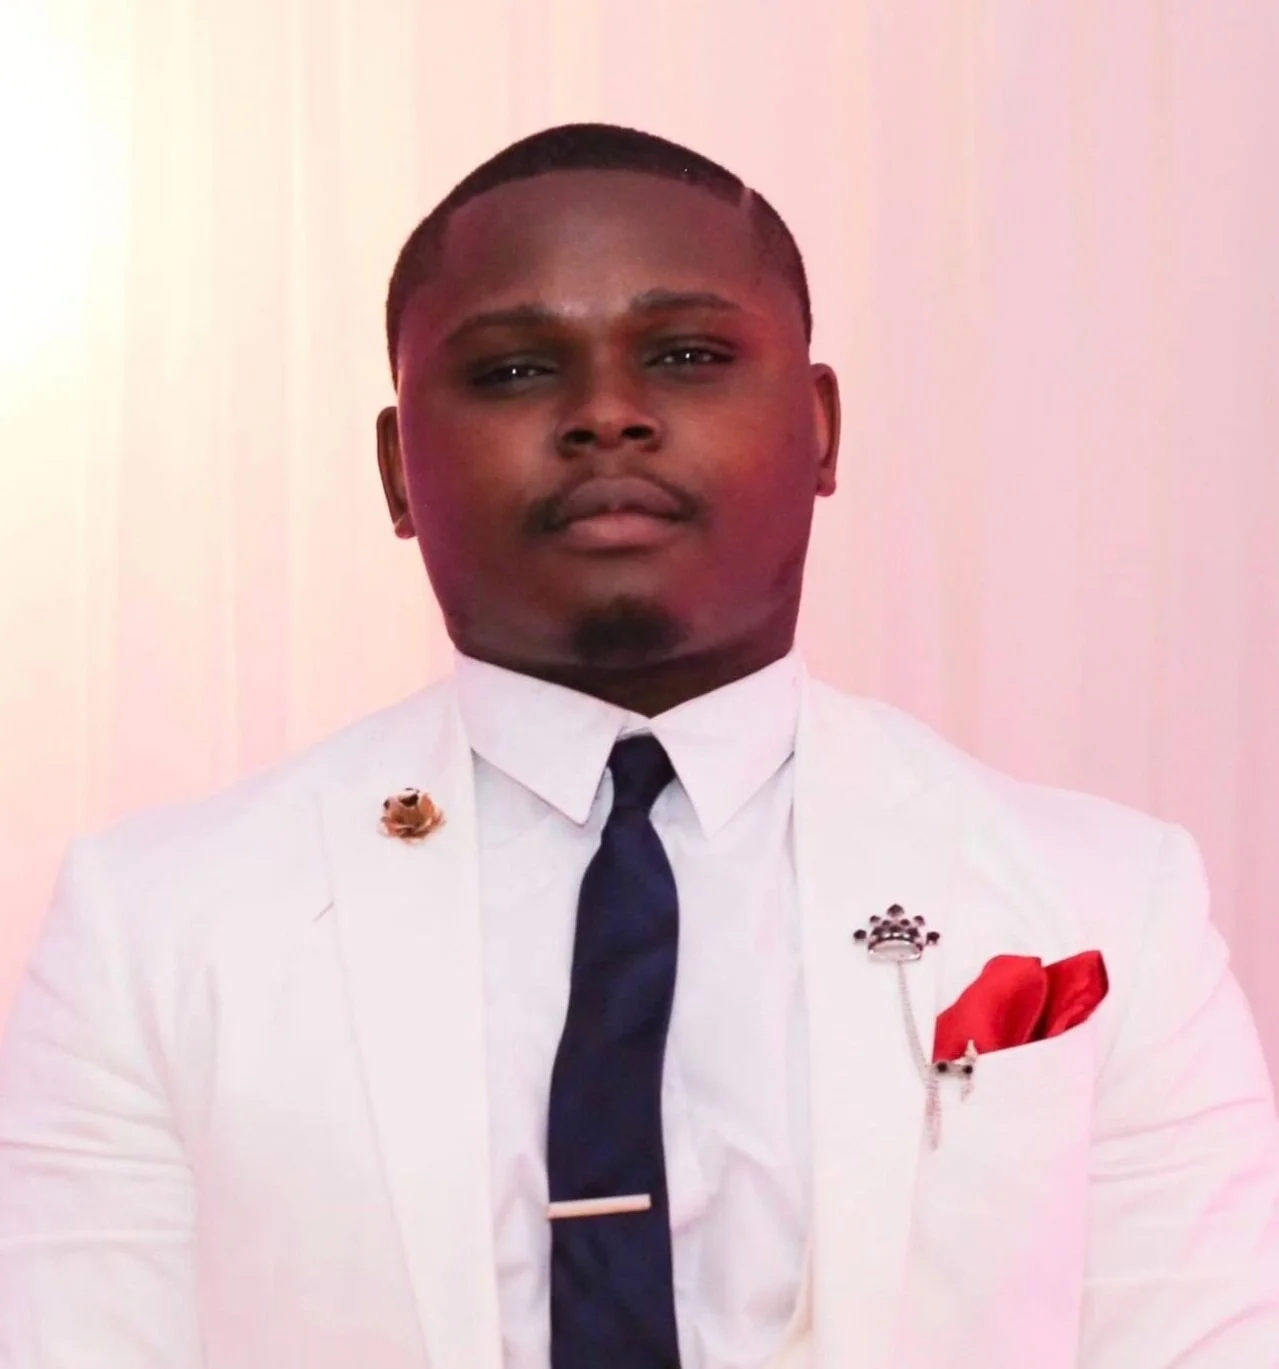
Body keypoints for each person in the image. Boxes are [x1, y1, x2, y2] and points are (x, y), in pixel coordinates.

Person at [0, 121, 1276, 1369]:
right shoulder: (153, 926)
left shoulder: (1111, 904)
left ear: (821, 428)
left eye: (686, 354)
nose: (606, 413)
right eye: (512, 370)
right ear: (396, 469)